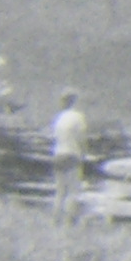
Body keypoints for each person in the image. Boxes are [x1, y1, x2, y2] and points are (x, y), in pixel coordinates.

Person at [47, 91, 91, 227]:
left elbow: (54, 137)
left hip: (58, 154)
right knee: (73, 190)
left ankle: (55, 219)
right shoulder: (78, 117)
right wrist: (84, 153)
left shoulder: (58, 118)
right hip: (72, 154)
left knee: (60, 190)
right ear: (74, 102)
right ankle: (69, 220)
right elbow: (82, 137)